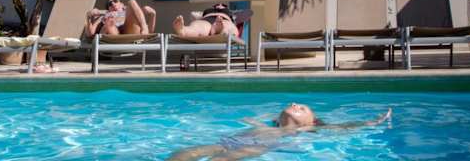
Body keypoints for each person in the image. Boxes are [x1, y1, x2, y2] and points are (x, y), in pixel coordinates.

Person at [168, 103, 392, 161]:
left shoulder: (307, 130)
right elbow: (247, 118)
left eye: (302, 108)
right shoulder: (268, 125)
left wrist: (371, 122)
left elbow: (342, 127)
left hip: (256, 146)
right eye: (293, 104)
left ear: (312, 121)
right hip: (230, 140)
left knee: (222, 159)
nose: (295, 104)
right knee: (187, 152)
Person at [85, 0, 156, 37]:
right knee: (109, 21)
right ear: (108, 9)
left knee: (132, 1)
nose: (113, 4)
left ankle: (144, 26)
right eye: (110, 4)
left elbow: (149, 32)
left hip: (130, 31)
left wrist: (153, 15)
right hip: (114, 35)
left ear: (122, 4)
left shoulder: (131, 13)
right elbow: (90, 33)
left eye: (115, 1)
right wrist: (88, 17)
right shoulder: (105, 15)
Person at [173, 3, 239, 37]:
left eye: (223, 5)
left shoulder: (231, 13)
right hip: (207, 20)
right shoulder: (208, 10)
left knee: (228, 26)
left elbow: (239, 17)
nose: (219, 5)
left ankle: (220, 30)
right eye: (217, 4)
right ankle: (183, 30)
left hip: (223, 20)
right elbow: (194, 14)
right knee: (198, 26)